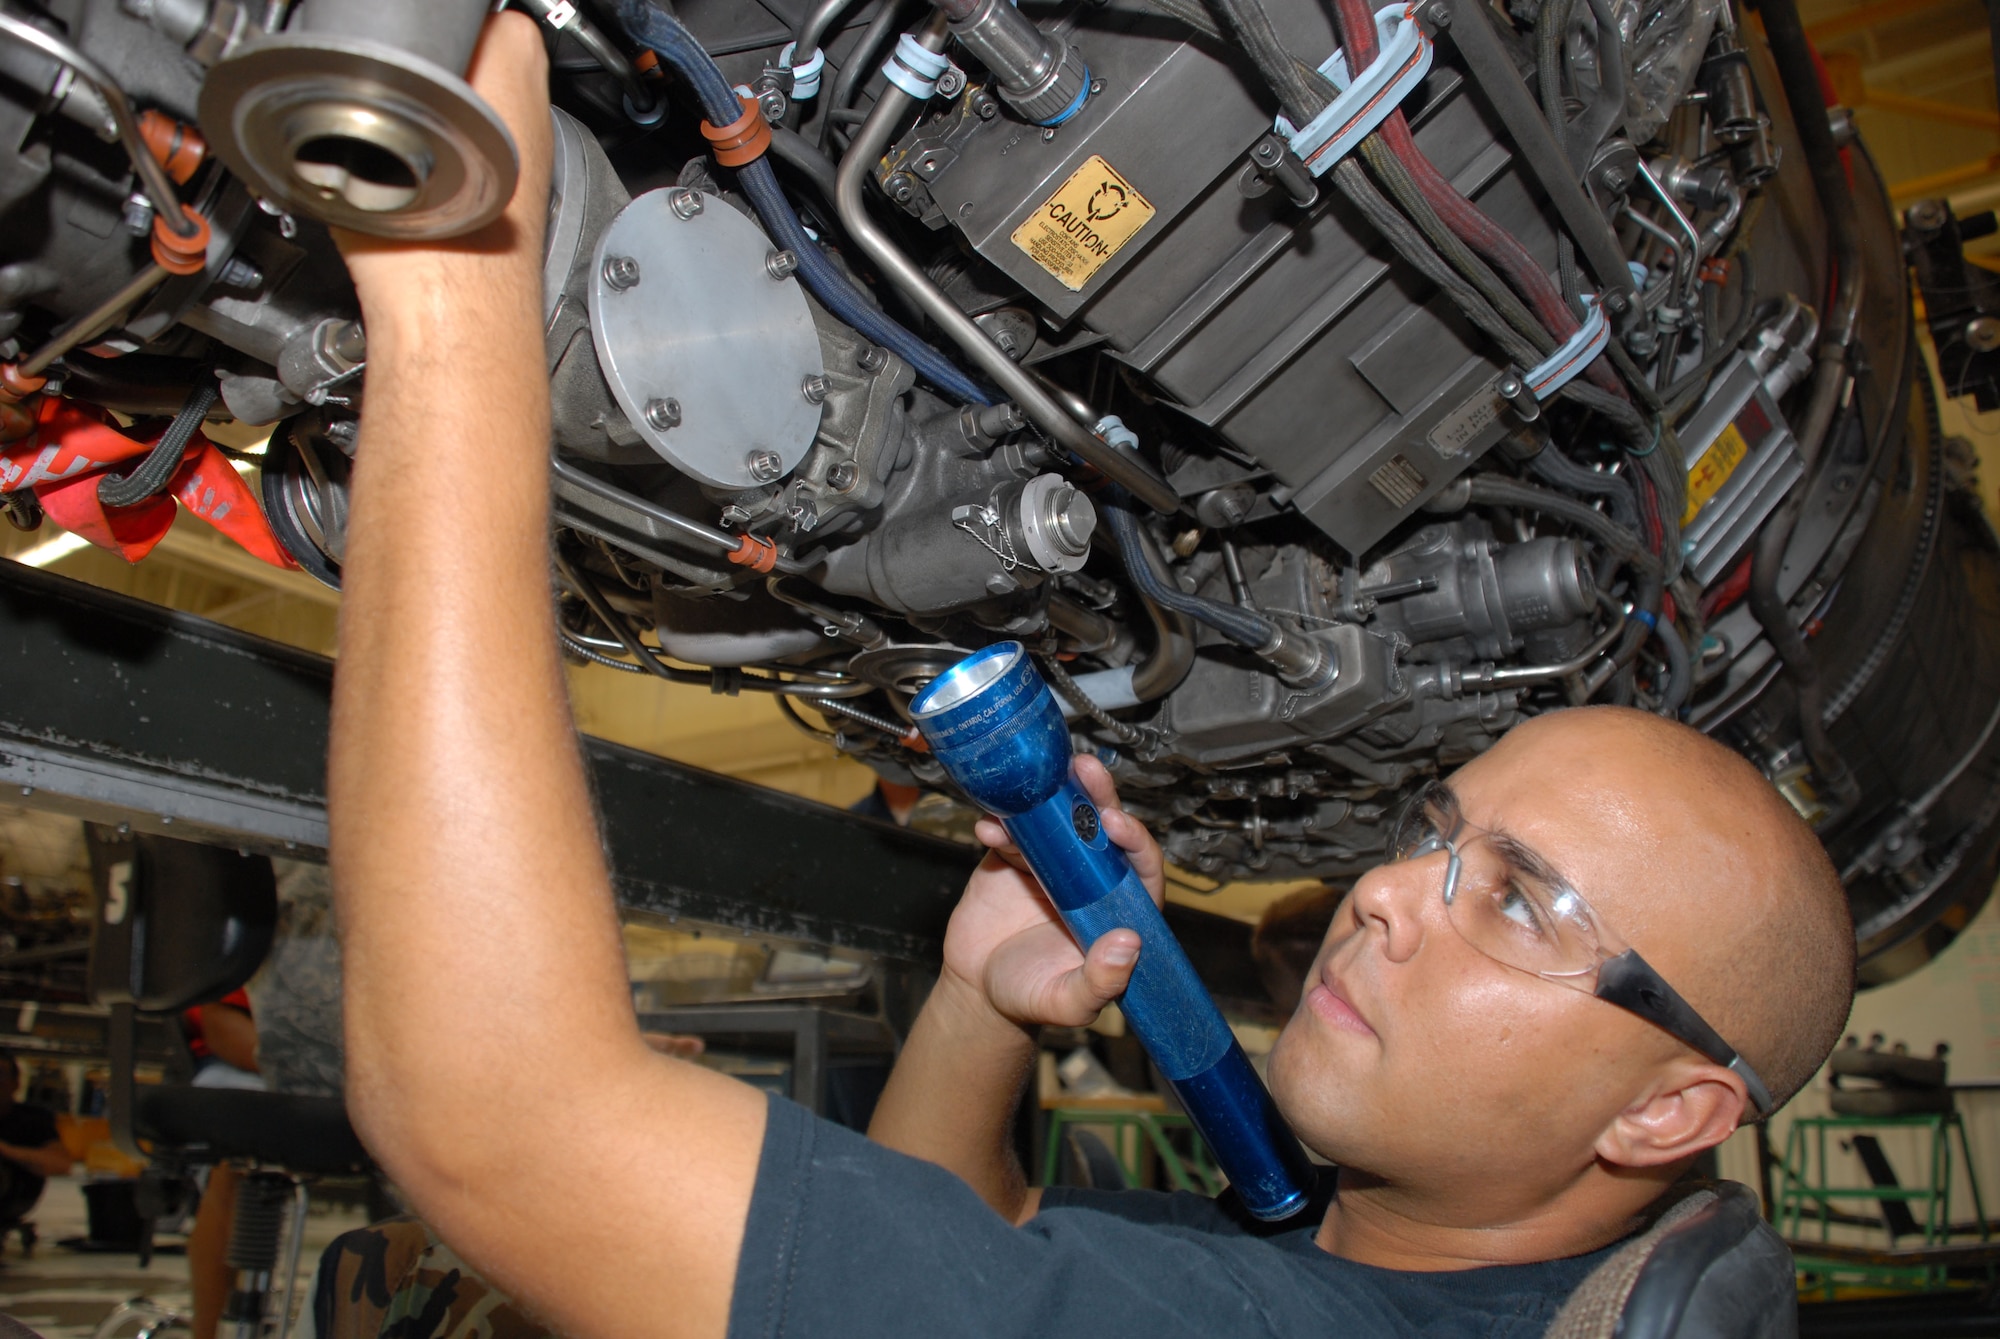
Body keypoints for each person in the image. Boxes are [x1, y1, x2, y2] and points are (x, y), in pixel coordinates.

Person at [322, 14, 1855, 1337]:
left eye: (1519, 898)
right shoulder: (1355, 1257)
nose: (1389, 893)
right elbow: (967, 1233)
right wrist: (990, 1002)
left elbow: (504, 1123)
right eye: (1433, 836)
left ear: (1671, 1110)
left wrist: (457, 280)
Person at [0, 1050, 71, 1243]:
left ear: (15, 1084)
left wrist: (7, 1151)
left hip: (15, 1195)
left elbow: (60, 1164)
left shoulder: (32, 1120)